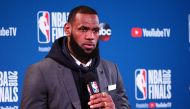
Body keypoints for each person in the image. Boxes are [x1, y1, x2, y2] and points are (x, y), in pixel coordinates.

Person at [21, 5, 130, 109]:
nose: (90, 36)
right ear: (67, 29)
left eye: (95, 31)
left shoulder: (112, 69)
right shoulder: (40, 72)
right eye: (83, 29)